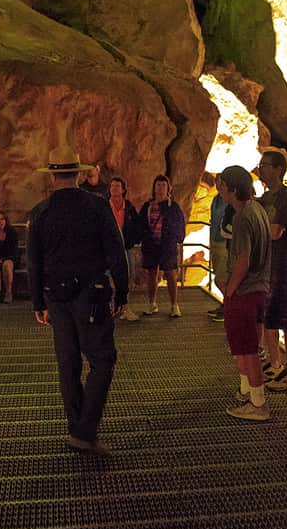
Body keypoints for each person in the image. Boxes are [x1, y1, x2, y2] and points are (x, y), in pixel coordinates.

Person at [28, 145, 129, 455]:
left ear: (52, 176)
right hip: (92, 294)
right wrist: (122, 293)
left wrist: (37, 303)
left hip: (56, 297)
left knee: (67, 363)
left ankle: (77, 426)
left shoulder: (41, 212)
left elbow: (34, 261)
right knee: (102, 359)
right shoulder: (97, 206)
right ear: (77, 173)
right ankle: (85, 431)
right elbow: (116, 251)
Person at [218, 166, 272, 421]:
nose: (219, 188)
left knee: (247, 349)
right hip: (260, 288)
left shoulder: (241, 217)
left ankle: (258, 403)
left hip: (245, 290)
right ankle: (247, 391)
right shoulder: (258, 209)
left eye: (222, 184)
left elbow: (243, 258)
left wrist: (230, 289)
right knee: (249, 346)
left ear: (232, 188)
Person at [256, 149, 287, 391]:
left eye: (265, 165)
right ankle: (275, 365)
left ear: (277, 169)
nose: (260, 168)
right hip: (268, 267)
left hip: (284, 266)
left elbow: (275, 231)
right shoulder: (264, 199)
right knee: (269, 318)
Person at [139, 175, 186, 318]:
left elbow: (179, 223)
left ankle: (174, 305)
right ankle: (152, 304)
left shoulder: (173, 206)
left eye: (163, 185)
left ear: (168, 188)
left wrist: (178, 238)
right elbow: (141, 224)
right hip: (151, 244)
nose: (160, 188)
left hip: (167, 245)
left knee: (171, 274)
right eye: (158, 185)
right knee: (152, 274)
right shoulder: (147, 206)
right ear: (154, 188)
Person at [108, 176, 142, 322]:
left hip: (126, 248)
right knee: (109, 278)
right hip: (109, 249)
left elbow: (136, 225)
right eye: (112, 186)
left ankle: (124, 307)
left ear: (123, 190)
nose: (114, 188)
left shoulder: (128, 207)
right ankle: (110, 307)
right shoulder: (104, 206)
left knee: (127, 277)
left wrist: (133, 241)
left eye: (117, 186)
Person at [207, 183, 231, 322]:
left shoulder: (229, 202)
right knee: (220, 277)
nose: (219, 185)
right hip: (215, 241)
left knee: (220, 280)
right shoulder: (216, 199)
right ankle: (226, 306)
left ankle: (229, 307)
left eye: (222, 182)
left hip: (224, 244)